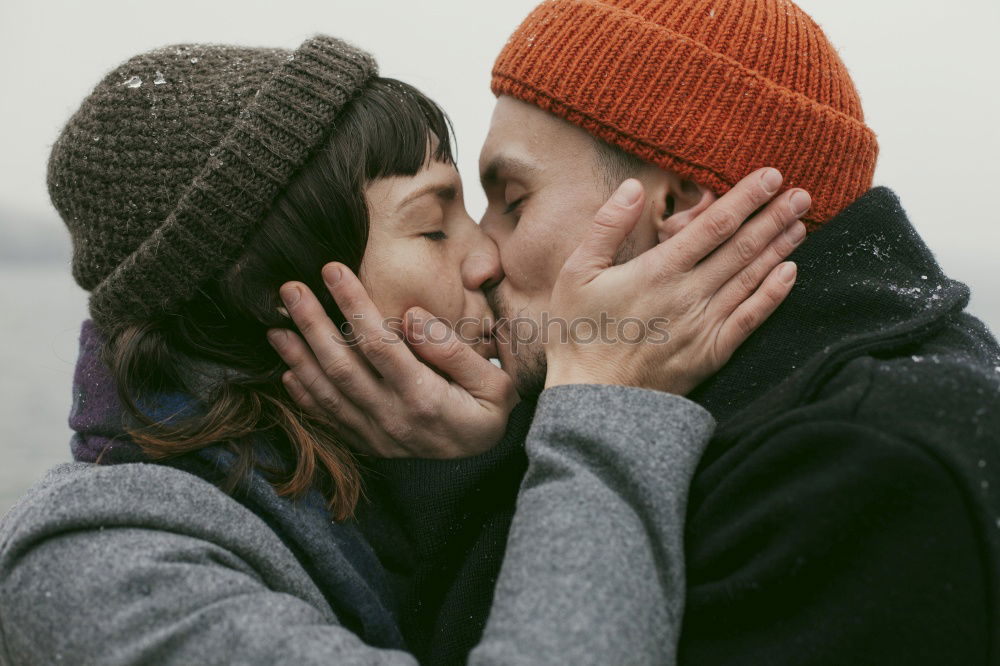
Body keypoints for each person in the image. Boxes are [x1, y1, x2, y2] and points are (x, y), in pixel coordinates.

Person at [0, 35, 804, 665]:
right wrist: (608, 405)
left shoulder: (374, 459)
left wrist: (467, 467)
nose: (484, 259)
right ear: (276, 292)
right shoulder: (97, 570)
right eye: (431, 224)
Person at [277, 1, 1000, 664]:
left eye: (514, 202)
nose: (483, 255)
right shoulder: (738, 402)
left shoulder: (862, 470)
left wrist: (465, 476)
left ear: (675, 204)